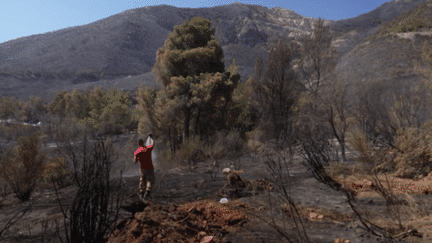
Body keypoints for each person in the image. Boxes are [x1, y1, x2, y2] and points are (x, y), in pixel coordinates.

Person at [133, 134, 155, 200]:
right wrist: (150, 138)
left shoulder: (137, 151)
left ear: (138, 144)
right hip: (150, 168)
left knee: (142, 180)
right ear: (143, 143)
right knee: (150, 180)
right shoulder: (148, 149)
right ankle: (148, 191)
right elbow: (153, 143)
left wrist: (138, 158)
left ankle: (142, 193)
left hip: (142, 169)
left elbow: (135, 161)